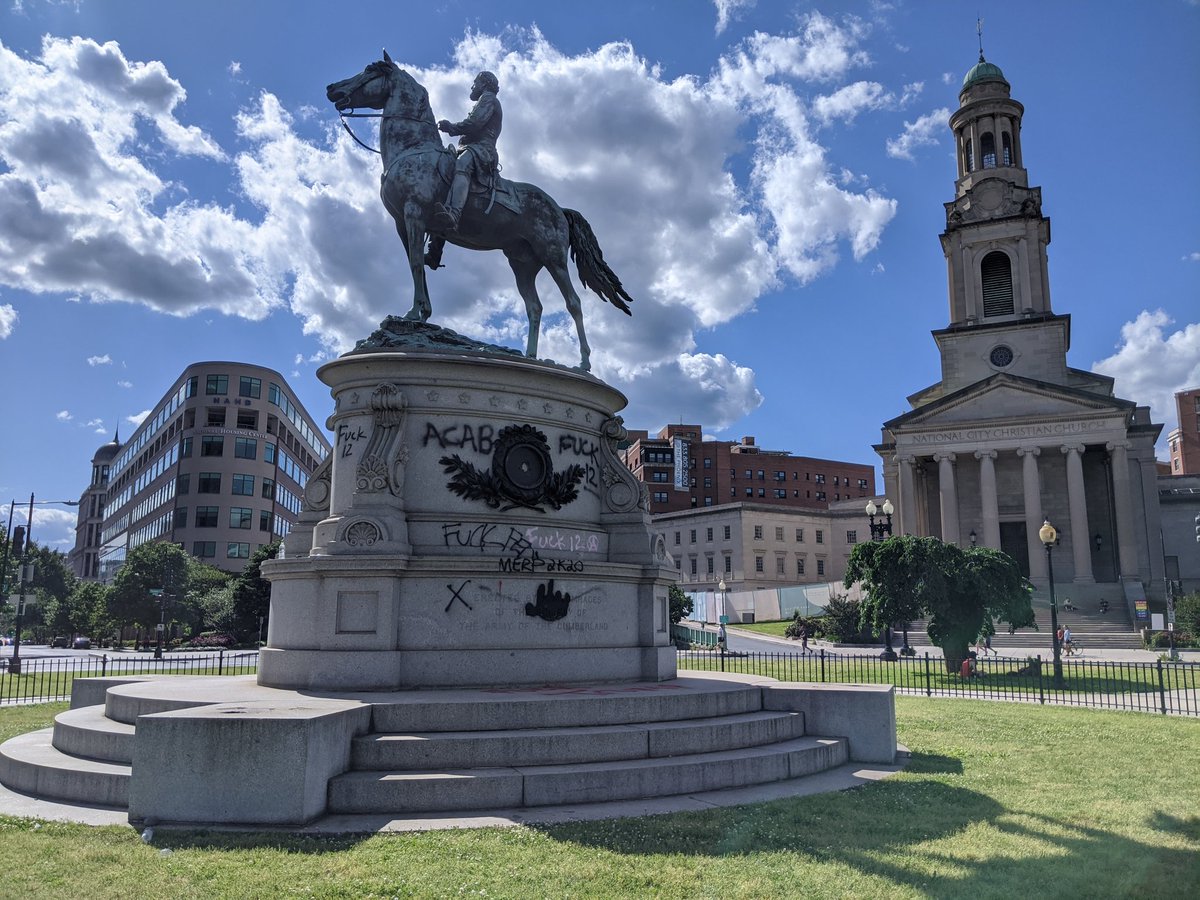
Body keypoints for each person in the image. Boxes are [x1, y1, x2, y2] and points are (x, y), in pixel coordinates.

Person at [431, 70, 503, 237]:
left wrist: (452, 127)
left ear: (484, 84)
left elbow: (474, 124)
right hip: (471, 148)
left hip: (483, 150)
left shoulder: (489, 99)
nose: (472, 86)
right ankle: (435, 249)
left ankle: (454, 215)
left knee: (462, 164)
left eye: (475, 82)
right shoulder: (484, 100)